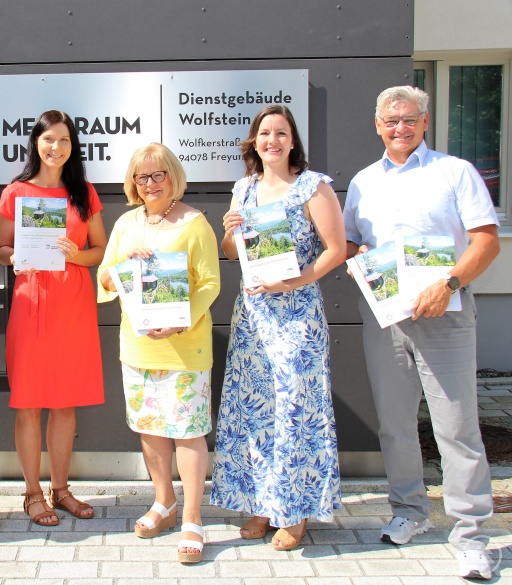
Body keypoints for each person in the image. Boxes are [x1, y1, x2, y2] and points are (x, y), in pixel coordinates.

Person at [343, 85, 500, 580]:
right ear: (377, 125)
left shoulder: (454, 173)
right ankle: (410, 512)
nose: (400, 128)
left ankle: (472, 533)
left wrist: (450, 281)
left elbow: (487, 241)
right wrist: (355, 262)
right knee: (395, 423)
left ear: (424, 122)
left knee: (456, 427)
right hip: (386, 317)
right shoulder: (363, 182)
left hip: (445, 312)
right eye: (391, 121)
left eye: (409, 120)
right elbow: (351, 243)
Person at [210, 105, 345, 552]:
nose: (272, 140)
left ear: (292, 140)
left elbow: (336, 250)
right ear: (254, 140)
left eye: (281, 133)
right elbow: (231, 252)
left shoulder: (313, 186)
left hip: (297, 315)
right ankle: (263, 505)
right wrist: (229, 229)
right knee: (256, 412)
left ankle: (296, 511)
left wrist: (296, 279)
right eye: (265, 133)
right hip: (253, 317)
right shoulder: (243, 188)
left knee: (294, 413)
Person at [98, 143, 220, 564]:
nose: (149, 184)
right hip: (137, 344)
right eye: (141, 177)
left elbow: (210, 283)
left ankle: (192, 518)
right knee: (150, 427)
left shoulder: (194, 222)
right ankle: (164, 503)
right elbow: (104, 279)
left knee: (188, 430)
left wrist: (183, 318)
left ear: (173, 177)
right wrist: (121, 266)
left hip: (184, 344)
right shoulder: (126, 224)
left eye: (157, 175)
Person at [0, 110, 106, 526]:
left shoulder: (84, 192)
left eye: (63, 140)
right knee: (28, 403)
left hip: (72, 305)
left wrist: (77, 255)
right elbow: (2, 249)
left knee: (64, 403)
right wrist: (16, 261)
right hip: (31, 304)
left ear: (72, 146)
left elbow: (101, 250)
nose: (55, 148)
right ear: (36, 143)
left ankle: (61, 491)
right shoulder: (16, 192)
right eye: (48, 140)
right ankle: (32, 493)